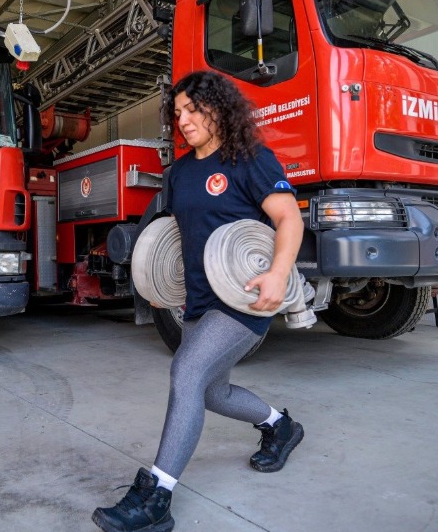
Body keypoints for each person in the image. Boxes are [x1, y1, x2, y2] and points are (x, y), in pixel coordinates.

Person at [92, 70, 306, 532]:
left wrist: (278, 273)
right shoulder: (183, 172)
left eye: (193, 109)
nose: (183, 120)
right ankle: (280, 426)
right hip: (198, 300)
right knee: (213, 391)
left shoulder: (250, 160)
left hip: (244, 299)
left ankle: (156, 498)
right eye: (178, 113)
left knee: (186, 372)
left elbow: (289, 219)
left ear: (219, 108)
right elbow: (175, 234)